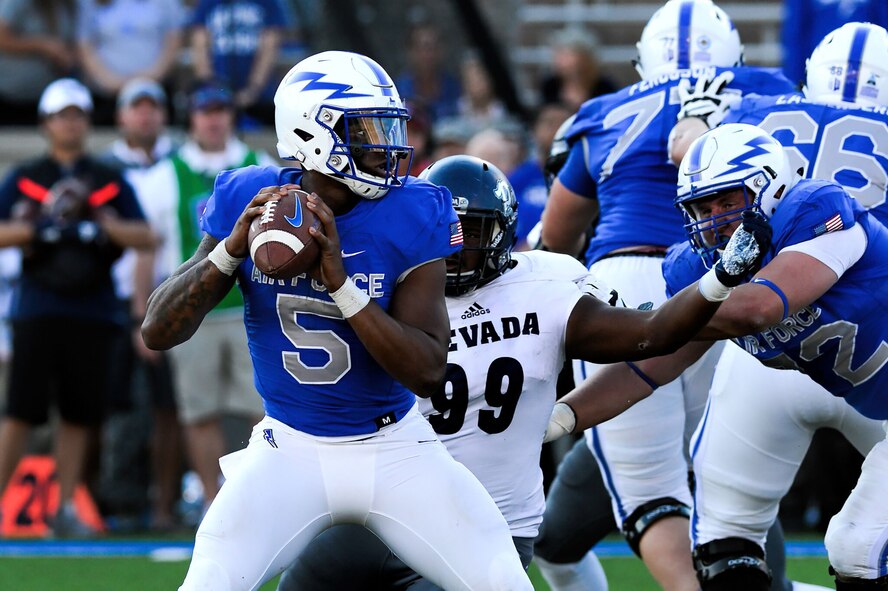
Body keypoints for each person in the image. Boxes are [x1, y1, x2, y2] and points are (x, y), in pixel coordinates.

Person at [274, 143, 773, 590]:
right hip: (379, 516)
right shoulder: (388, 287)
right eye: (440, 229)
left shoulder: (547, 286)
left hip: (488, 524)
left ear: (502, 232)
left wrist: (721, 282)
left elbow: (652, 333)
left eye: (469, 231)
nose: (452, 245)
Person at [140, 50, 535, 591]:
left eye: (386, 127)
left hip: (396, 448)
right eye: (366, 129)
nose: (386, 146)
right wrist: (230, 251)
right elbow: (158, 331)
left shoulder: (415, 207)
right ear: (311, 133)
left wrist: (341, 286)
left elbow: (426, 370)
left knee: (502, 582)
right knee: (208, 582)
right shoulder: (245, 198)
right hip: (288, 449)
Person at [546, 122, 888, 591]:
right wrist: (564, 416)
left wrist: (660, 321)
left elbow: (758, 308)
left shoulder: (813, 208)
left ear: (773, 188)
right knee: (726, 559)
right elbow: (647, 366)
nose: (716, 219)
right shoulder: (692, 265)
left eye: (728, 202)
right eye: (702, 207)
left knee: (860, 545)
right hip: (870, 399)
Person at [537, 1, 795, 589]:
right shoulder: (766, 91)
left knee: (651, 484)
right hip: (726, 283)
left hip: (624, 281)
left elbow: (556, 234)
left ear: (641, 62)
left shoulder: (604, 112)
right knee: (729, 472)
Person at [650, 21, 888, 590]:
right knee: (865, 547)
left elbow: (682, 148)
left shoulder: (757, 109)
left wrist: (701, 114)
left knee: (724, 533)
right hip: (843, 320)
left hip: (777, 336)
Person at [0, 77, 154, 535]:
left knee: (80, 413)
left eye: (78, 114)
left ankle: (65, 506)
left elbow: (144, 235)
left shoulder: (106, 178)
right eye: (62, 115)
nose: (71, 123)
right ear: (46, 122)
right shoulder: (27, 177)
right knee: (21, 410)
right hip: (38, 306)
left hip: (92, 309)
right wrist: (39, 229)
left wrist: (102, 225)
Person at [134, 82, 275, 520]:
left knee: (262, 412)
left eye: (219, 110)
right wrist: (143, 311)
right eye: (204, 111)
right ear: (191, 118)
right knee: (199, 412)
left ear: (230, 116)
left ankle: (260, 499)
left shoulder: (262, 165)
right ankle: (214, 503)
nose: (212, 119)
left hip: (251, 309)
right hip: (194, 310)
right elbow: (149, 248)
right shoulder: (165, 174)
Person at [76, 0, 185, 124]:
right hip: (106, 95)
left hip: (154, 91)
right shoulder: (88, 3)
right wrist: (111, 82)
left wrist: (151, 78)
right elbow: (85, 46)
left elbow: (174, 40)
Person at [189, 0, 288, 127]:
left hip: (259, 99)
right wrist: (211, 88)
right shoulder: (208, 3)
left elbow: (270, 46)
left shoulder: (268, 2)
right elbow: (199, 46)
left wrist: (253, 90)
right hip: (217, 92)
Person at [0, 0, 78, 125]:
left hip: (49, 98)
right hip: (10, 99)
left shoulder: (68, 4)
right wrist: (43, 45)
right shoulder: (15, 2)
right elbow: (2, 37)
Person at [781, 0, 888, 87]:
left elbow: (884, 26)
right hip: (820, 66)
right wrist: (794, 82)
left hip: (868, 66)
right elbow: (795, 33)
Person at [396, 23, 461, 123]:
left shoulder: (454, 87)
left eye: (434, 48)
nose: (429, 55)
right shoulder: (399, 91)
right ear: (411, 52)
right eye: (424, 48)